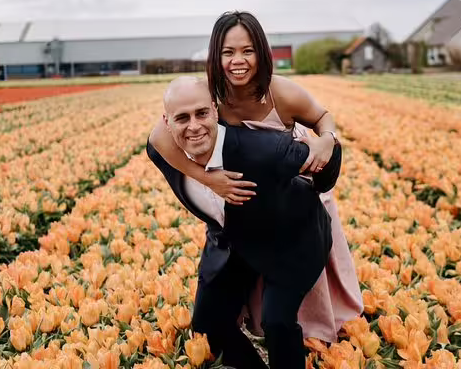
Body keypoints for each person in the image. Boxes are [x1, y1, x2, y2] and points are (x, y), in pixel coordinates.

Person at [149, 11, 363, 343]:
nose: (238, 61)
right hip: (248, 199)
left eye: (247, 50)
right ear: (215, 56)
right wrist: (206, 179)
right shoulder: (211, 94)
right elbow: (157, 139)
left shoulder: (280, 92)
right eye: (228, 52)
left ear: (261, 52)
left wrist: (326, 139)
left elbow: (323, 117)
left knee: (296, 269)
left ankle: (311, 335)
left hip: (292, 194)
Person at [147, 76, 343, 369]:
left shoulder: (265, 150)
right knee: (207, 326)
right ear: (167, 122)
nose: (194, 126)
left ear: (215, 110)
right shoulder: (163, 152)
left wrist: (324, 150)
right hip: (229, 239)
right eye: (182, 118)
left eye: (201, 113)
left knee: (276, 321)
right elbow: (155, 140)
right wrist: (205, 178)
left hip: (292, 237)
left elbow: (330, 159)